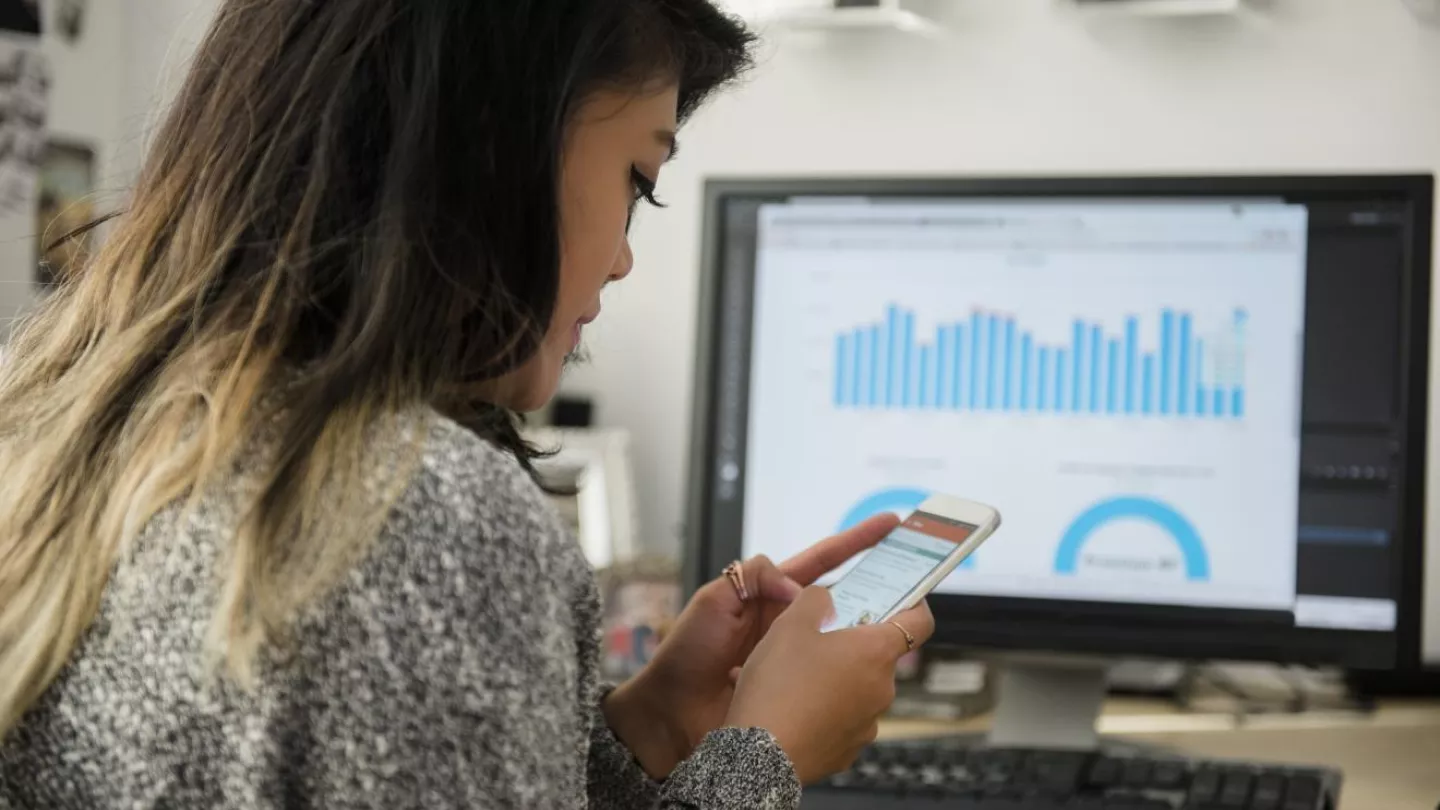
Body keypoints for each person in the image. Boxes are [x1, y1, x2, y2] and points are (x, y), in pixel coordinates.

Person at [0, 2, 934, 807]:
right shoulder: (425, 519)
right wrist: (763, 757)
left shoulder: (55, 416)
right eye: (637, 184)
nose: (621, 258)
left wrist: (644, 729)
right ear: (493, 149)